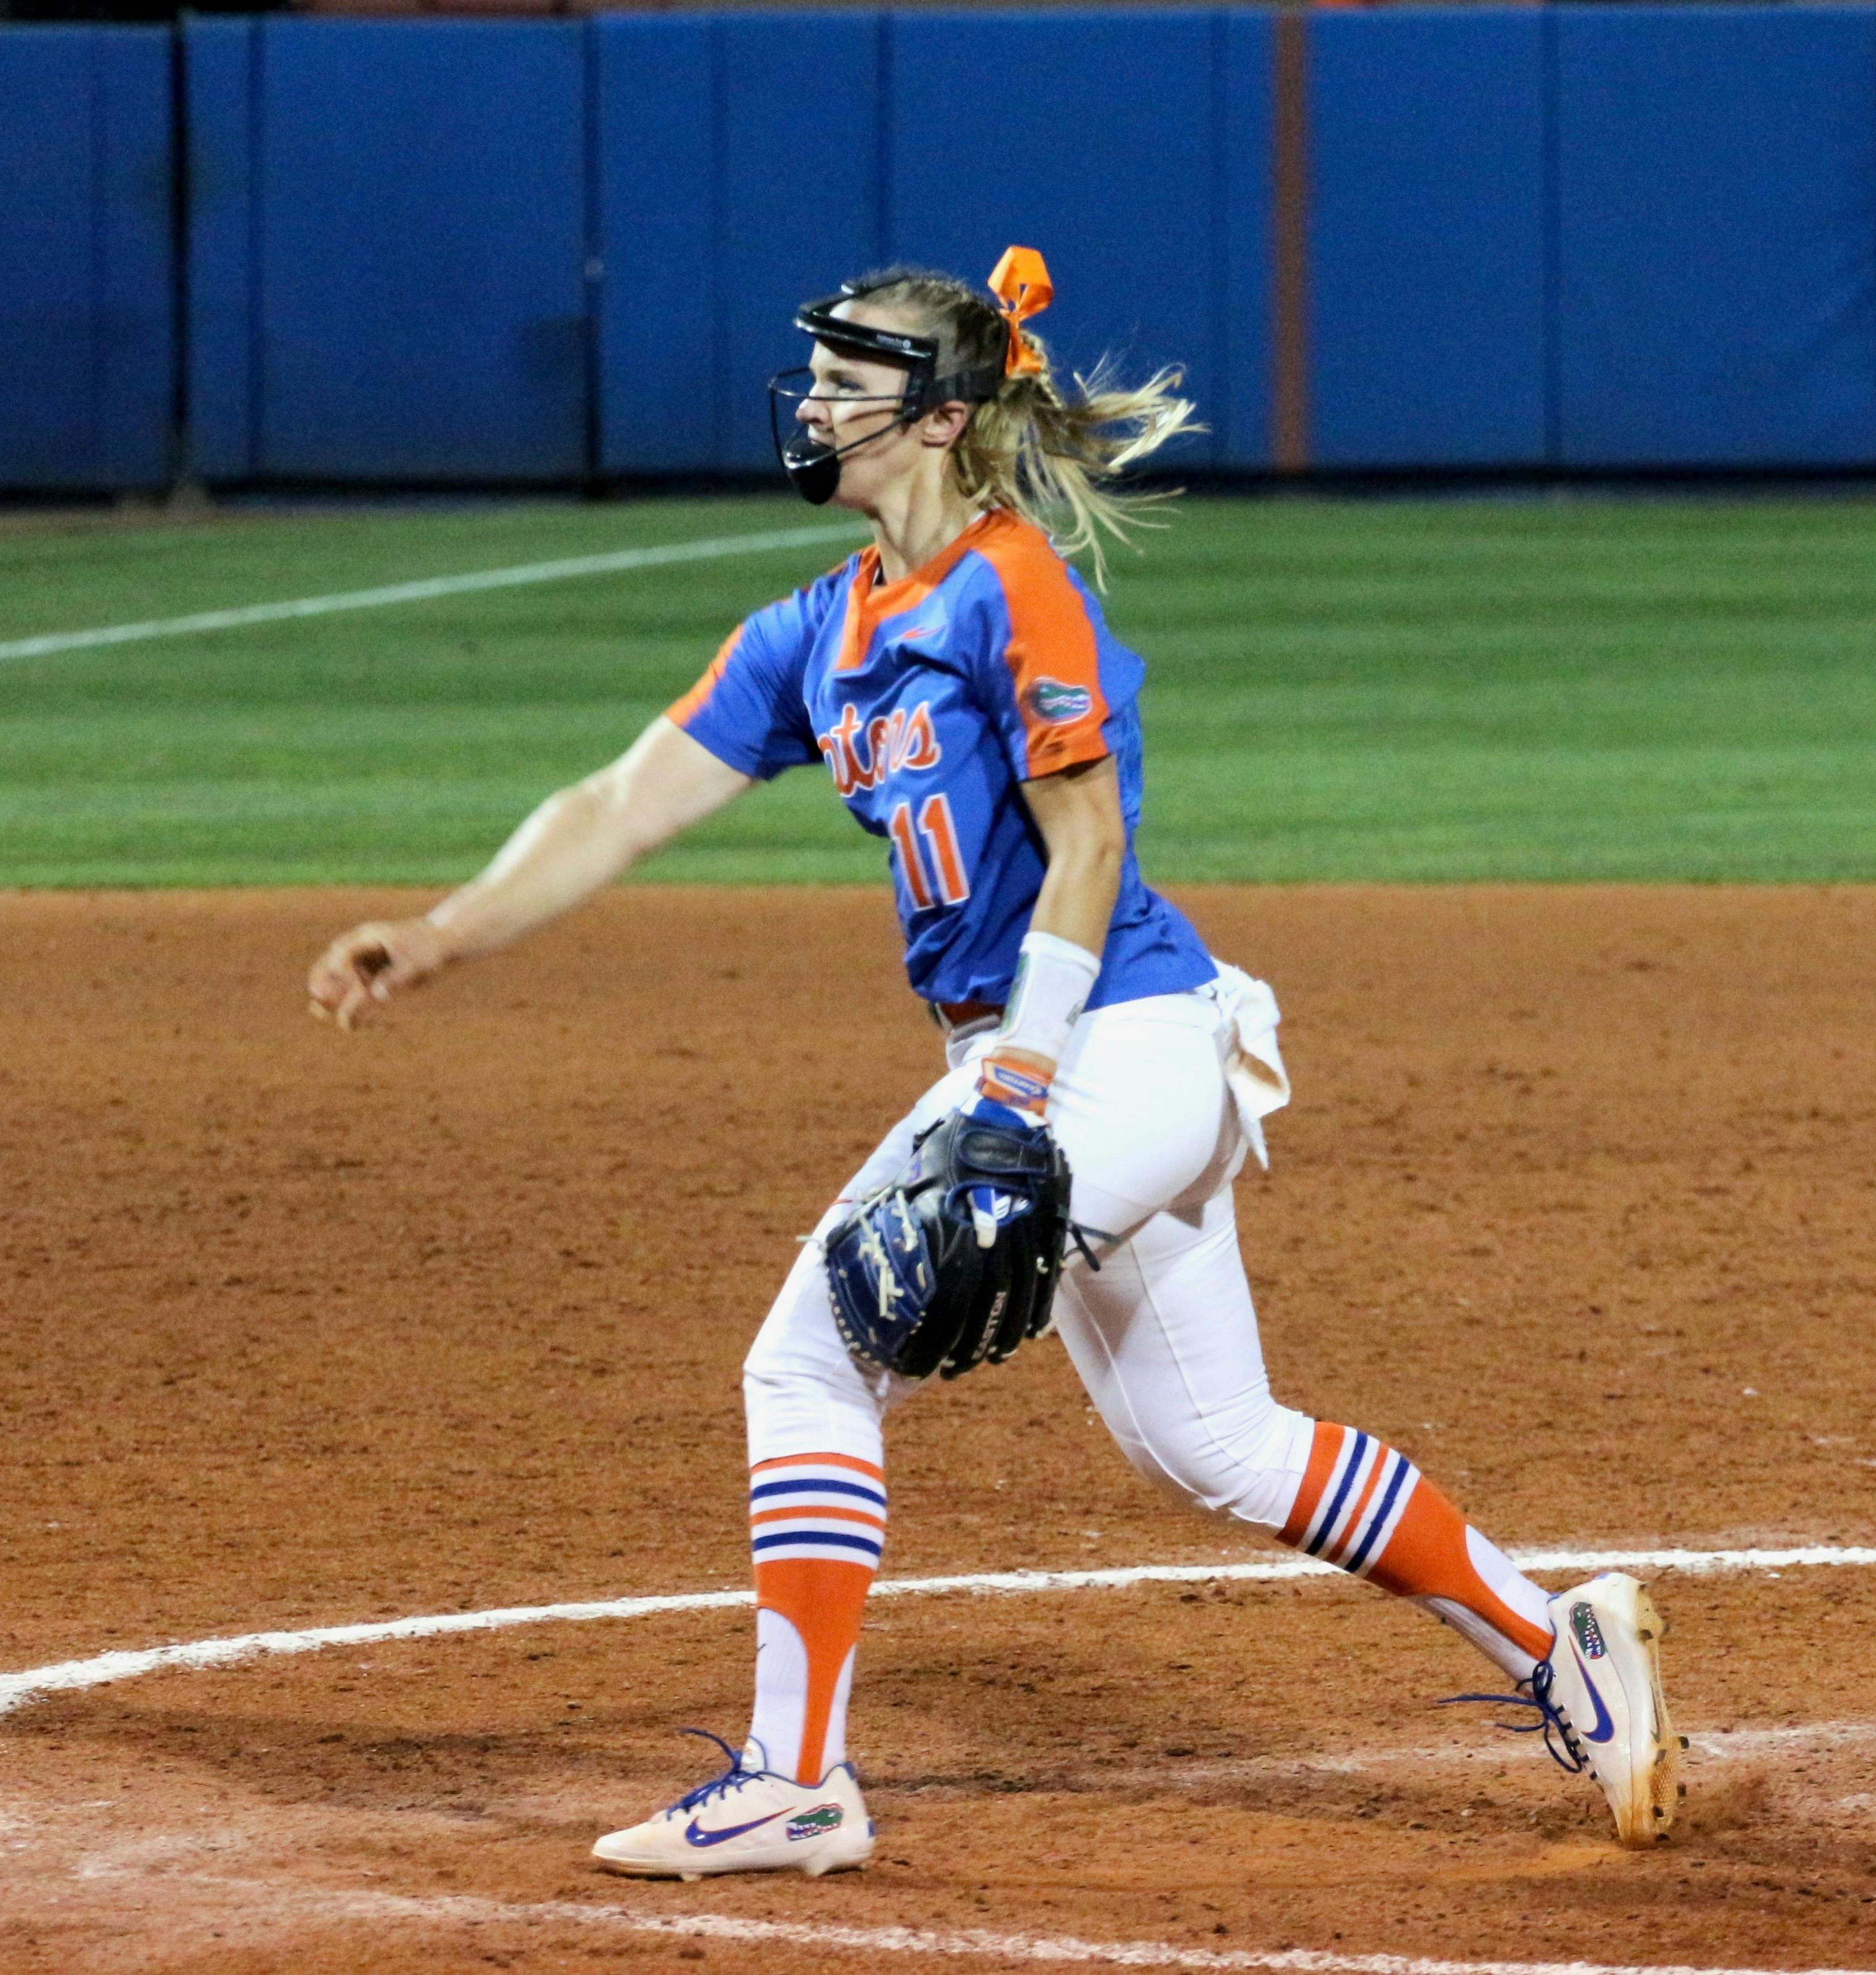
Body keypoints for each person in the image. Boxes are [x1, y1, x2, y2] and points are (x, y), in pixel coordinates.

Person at [304, 247, 1681, 1880]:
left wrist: (1020, 1083)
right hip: (1066, 1047)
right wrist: (443, 930)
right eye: (812, 373)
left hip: (1114, 1033)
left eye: (848, 378)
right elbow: (620, 798)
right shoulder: (817, 631)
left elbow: (1090, 839)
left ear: (942, 417)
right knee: (1214, 1445)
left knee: (809, 1356)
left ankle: (793, 1776)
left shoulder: (1010, 582)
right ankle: (1561, 1640)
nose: (811, 399)